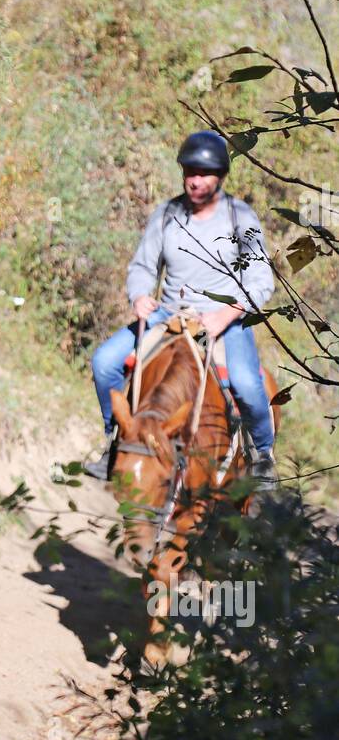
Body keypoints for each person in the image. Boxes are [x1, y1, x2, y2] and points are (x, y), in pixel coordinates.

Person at [83, 130, 277, 486]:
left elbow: (261, 280)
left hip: (224, 319)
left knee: (249, 385)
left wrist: (227, 313)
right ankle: (116, 439)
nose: (195, 181)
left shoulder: (241, 218)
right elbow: (143, 266)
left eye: (203, 174)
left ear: (220, 177)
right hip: (169, 313)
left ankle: (263, 454)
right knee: (104, 362)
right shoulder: (167, 214)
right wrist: (139, 294)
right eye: (189, 172)